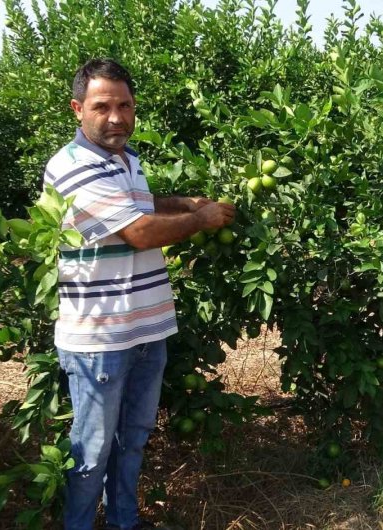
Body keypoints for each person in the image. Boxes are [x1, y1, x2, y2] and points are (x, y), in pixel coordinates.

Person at [44, 58, 235, 530]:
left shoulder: (128, 161)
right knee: (90, 451)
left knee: (133, 439)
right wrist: (201, 220)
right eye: (102, 106)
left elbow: (142, 204)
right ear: (77, 109)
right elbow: (142, 231)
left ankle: (124, 522)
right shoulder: (72, 165)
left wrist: (186, 201)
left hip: (146, 331)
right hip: (101, 341)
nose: (116, 117)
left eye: (124, 105)